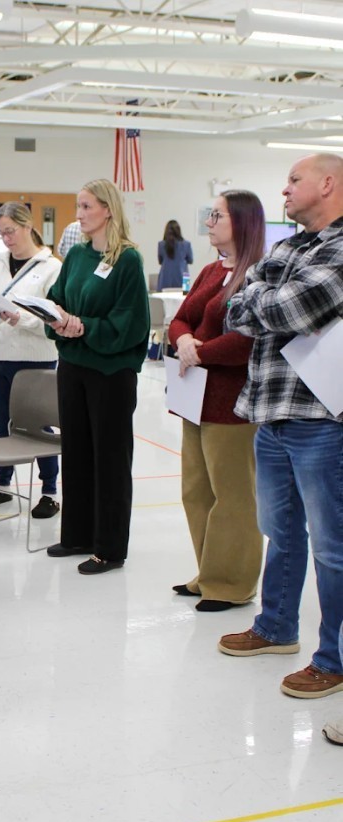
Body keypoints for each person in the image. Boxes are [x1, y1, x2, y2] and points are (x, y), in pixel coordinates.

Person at [217, 153, 343, 700]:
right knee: (282, 532)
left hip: (322, 418)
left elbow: (292, 308)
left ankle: (334, 659)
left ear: (329, 184)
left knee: (333, 548)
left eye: (294, 180)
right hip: (271, 412)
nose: (284, 190)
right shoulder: (290, 246)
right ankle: (275, 628)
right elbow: (234, 308)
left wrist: (259, 296)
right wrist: (261, 297)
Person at [44, 178, 149, 575]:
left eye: (87, 206)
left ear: (108, 209)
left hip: (110, 371)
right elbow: (59, 298)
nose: (80, 214)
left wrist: (84, 326)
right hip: (73, 366)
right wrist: (51, 316)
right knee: (76, 453)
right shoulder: (76, 257)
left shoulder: (128, 261)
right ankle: (77, 534)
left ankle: (109, 547)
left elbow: (132, 322)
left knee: (109, 458)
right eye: (78, 206)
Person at [168, 190, 265, 612]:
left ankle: (232, 582)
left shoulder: (260, 274)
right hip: (197, 397)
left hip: (232, 402)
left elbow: (250, 339)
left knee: (233, 495)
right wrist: (185, 339)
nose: (209, 222)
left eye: (217, 215)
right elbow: (181, 318)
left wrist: (198, 351)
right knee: (196, 489)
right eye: (209, 214)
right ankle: (209, 572)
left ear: (241, 222)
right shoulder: (211, 270)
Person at [0, 202, 62, 517]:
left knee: (40, 427)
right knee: (1, 423)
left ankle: (49, 490)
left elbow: (54, 320)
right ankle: (2, 485)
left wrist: (19, 318)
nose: (6, 239)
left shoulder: (51, 268)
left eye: (10, 231)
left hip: (34, 361)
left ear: (27, 226)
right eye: (0, 233)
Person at [157, 219, 194, 290]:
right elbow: (190, 260)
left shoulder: (161, 244)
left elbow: (160, 262)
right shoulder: (186, 244)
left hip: (164, 279)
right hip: (184, 279)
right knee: (184, 298)